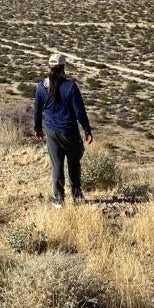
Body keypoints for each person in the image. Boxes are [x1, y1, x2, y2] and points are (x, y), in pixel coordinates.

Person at [34, 53, 93, 207]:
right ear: (63, 68)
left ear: (49, 67)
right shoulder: (71, 87)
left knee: (57, 165)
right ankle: (77, 196)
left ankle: (58, 200)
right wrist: (87, 130)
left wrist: (38, 128)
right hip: (69, 131)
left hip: (51, 131)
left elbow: (37, 110)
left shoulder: (41, 87)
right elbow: (80, 112)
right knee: (74, 164)